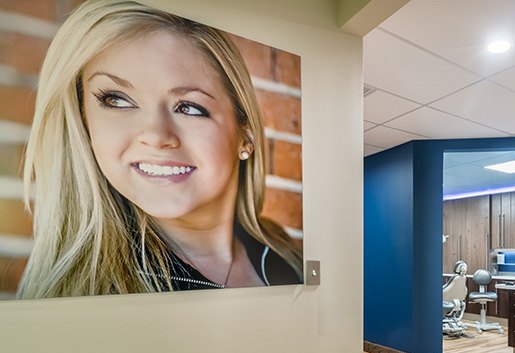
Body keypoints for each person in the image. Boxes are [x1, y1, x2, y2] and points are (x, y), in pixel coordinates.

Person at [17, 0, 302, 298]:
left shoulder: (287, 256)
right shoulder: (77, 301)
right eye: (117, 100)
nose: (156, 136)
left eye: (189, 108)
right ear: (84, 124)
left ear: (246, 135)